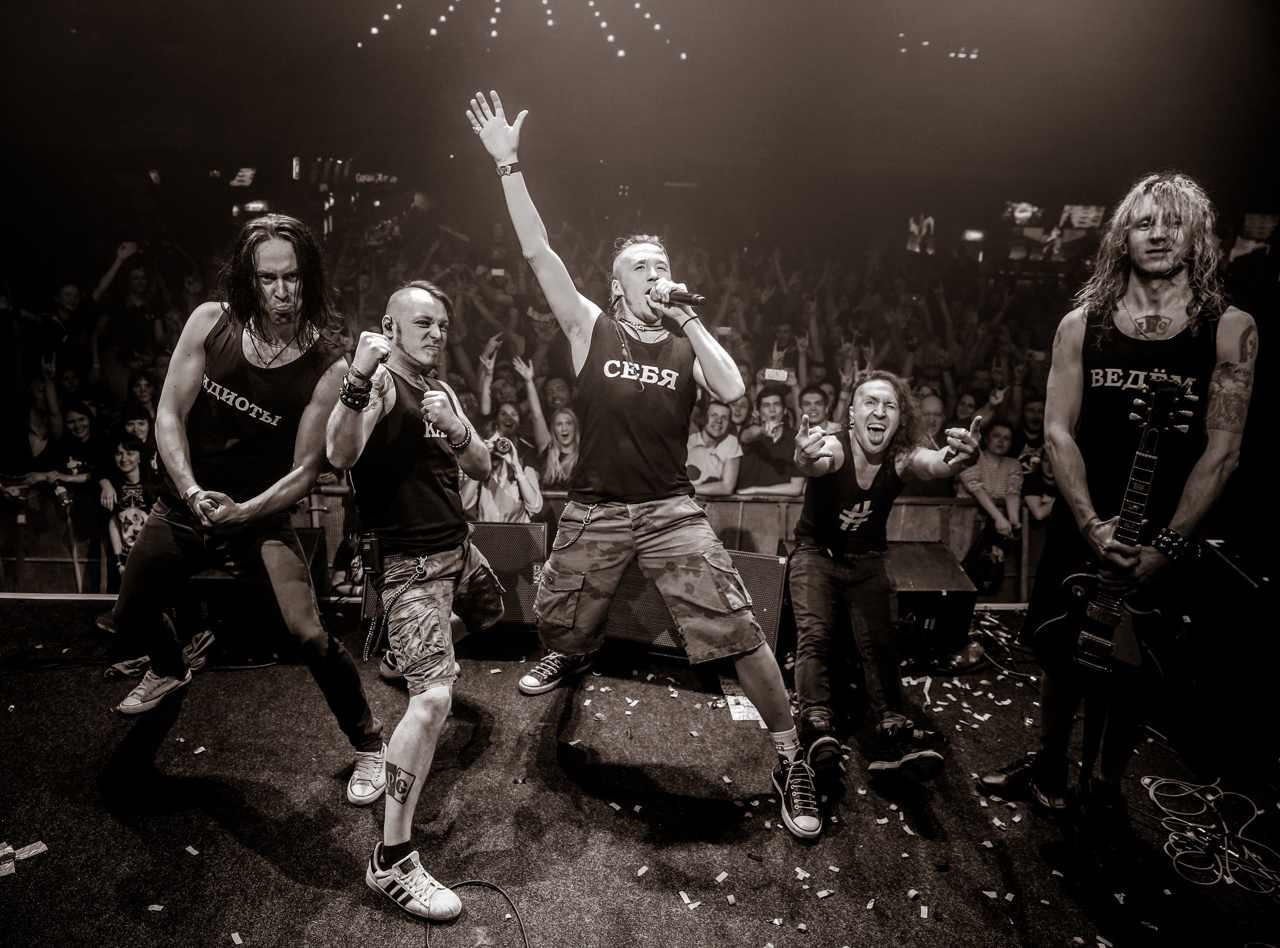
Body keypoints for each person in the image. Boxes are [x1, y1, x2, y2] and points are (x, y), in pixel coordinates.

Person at [468, 88, 822, 840]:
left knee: (737, 629)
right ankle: (572, 655)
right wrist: (508, 166)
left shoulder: (689, 341)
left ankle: (791, 757)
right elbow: (538, 253)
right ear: (617, 283)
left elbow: (734, 390)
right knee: (559, 624)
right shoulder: (588, 326)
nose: (656, 274)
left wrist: (689, 314)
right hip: (595, 506)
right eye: (641, 267)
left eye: (663, 265)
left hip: (668, 510)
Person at [977, 172, 1256, 859]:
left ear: (1197, 235)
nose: (1158, 234)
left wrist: (1165, 547)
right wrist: (1090, 524)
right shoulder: (1082, 324)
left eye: (1172, 222)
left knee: (1136, 670)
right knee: (1062, 654)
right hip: (1087, 525)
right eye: (1143, 222)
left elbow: (1222, 452)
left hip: (1165, 538)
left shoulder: (1230, 329)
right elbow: (1056, 431)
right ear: (1121, 236)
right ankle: (1048, 763)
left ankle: (1104, 784)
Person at [108, 214, 387, 806]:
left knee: (309, 635)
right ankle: (171, 667)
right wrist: (190, 492)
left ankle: (369, 744)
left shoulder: (327, 366)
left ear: (308, 278)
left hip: (259, 517)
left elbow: (306, 472)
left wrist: (244, 513)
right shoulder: (210, 323)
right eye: (268, 278)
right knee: (130, 615)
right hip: (184, 504)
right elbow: (168, 415)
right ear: (248, 279)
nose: (282, 291)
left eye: (292, 277)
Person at [327, 279, 504, 922]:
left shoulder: (440, 390)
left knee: (489, 610)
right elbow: (338, 452)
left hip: (458, 550)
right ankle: (392, 859)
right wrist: (356, 377)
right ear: (390, 327)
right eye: (423, 322)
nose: (436, 333)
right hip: (409, 566)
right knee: (432, 701)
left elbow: (481, 466)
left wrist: (456, 427)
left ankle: (407, 655)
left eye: (442, 325)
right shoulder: (377, 384)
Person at [791, 371, 980, 800]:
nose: (879, 411)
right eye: (870, 403)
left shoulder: (902, 456)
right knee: (815, 637)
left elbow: (935, 464)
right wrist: (803, 457)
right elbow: (815, 462)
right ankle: (817, 726)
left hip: (869, 559)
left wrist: (961, 458)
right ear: (852, 415)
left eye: (889, 405)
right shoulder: (836, 445)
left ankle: (893, 732)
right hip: (816, 554)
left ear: (899, 419)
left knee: (881, 644)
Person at [687, 401, 743, 497]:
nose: (719, 421)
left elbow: (727, 487)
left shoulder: (731, 442)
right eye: (714, 415)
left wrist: (687, 489)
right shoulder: (688, 440)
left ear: (729, 424)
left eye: (724, 418)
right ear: (703, 419)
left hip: (712, 504)